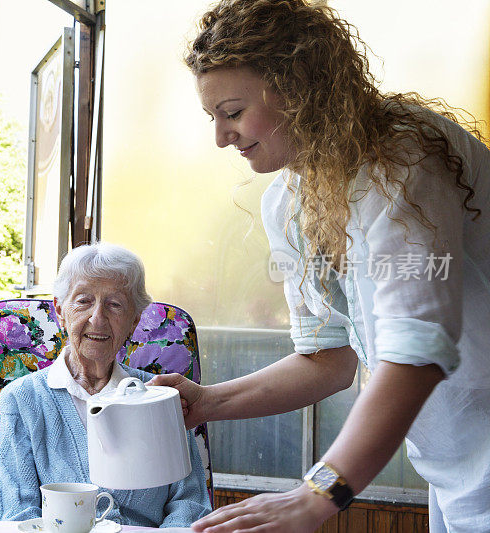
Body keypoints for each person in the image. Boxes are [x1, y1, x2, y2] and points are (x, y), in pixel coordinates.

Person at [149, 1, 490, 531]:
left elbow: (417, 353)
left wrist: (315, 496)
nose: (220, 137)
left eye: (233, 112)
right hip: (455, 472)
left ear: (300, 87)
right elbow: (328, 360)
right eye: (212, 117)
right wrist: (206, 402)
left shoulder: (402, 160)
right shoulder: (289, 204)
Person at [0, 242, 212, 527]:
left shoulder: (158, 395)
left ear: (133, 321)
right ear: (60, 310)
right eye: (83, 301)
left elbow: (190, 505)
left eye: (114, 304)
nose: (98, 318)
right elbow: (18, 517)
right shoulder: (20, 400)